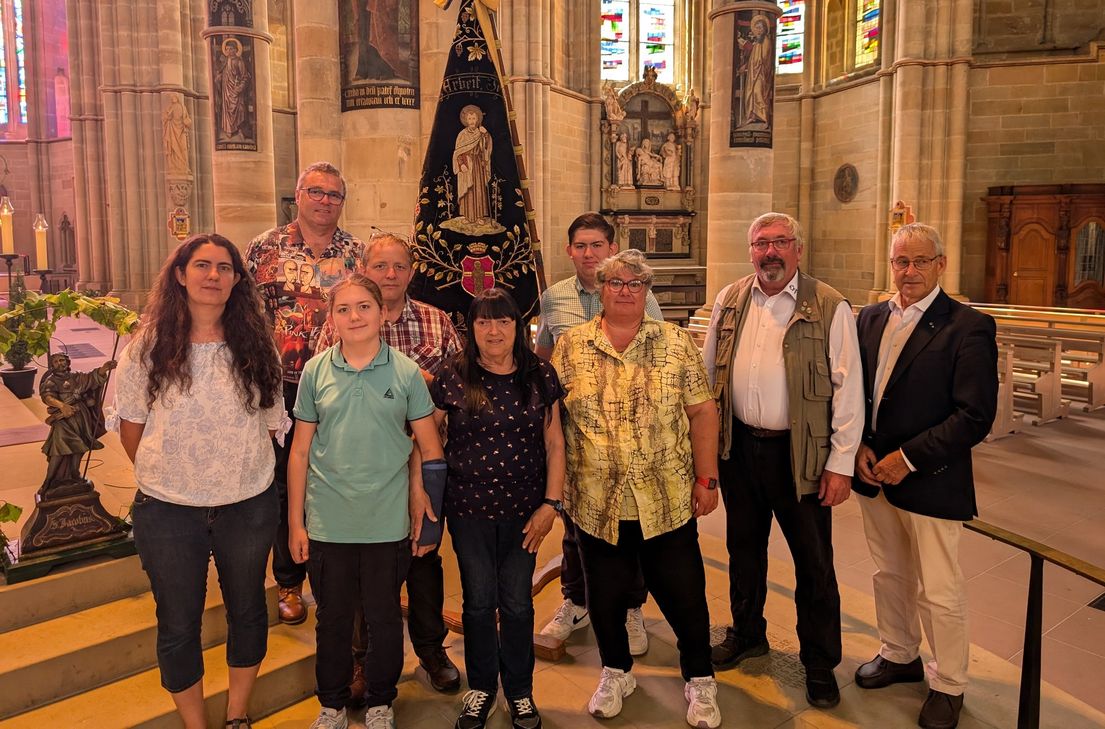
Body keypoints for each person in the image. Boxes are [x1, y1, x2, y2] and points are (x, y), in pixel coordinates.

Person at [113, 234, 285, 729]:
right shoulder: (147, 345)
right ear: (181, 274)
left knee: (249, 610)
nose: (213, 275)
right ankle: (196, 724)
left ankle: (236, 715)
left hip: (248, 503)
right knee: (178, 621)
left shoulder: (257, 345)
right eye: (202, 265)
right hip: (168, 508)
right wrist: (175, 476)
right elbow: (132, 429)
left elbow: (272, 423)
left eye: (225, 267)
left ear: (237, 279)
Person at [552, 249, 723, 729]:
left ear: (647, 292)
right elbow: (553, 421)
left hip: (665, 498)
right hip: (594, 500)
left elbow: (702, 412)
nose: (625, 290)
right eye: (615, 282)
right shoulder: (573, 345)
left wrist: (706, 479)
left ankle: (700, 678)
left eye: (635, 283)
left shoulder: (674, 342)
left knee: (684, 594)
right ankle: (616, 672)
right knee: (605, 596)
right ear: (600, 290)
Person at [701, 212, 863, 709]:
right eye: (760, 244)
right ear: (750, 250)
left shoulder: (829, 304)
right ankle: (747, 632)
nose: (770, 252)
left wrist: (842, 463)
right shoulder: (730, 299)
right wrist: (705, 452)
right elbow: (706, 375)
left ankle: (819, 661)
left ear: (797, 247)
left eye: (780, 242)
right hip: (740, 449)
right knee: (743, 549)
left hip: (802, 456)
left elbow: (848, 388)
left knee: (814, 562)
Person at [853, 223, 998, 729]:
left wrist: (907, 458)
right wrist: (862, 448)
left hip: (930, 475)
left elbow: (974, 415)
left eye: (919, 261)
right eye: (900, 261)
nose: (908, 271)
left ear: (940, 264)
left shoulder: (967, 325)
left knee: (939, 587)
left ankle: (950, 683)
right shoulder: (869, 317)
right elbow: (857, 395)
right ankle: (899, 652)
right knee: (889, 573)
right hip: (873, 473)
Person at [287, 275, 444, 729]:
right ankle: (332, 705)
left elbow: (429, 448)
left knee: (383, 619)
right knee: (333, 620)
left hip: (386, 521)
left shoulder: (406, 372)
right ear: (331, 317)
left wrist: (427, 518)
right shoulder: (316, 371)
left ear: (381, 314)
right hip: (329, 521)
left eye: (363, 307)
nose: (354, 316)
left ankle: (380, 701)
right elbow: (299, 452)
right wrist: (296, 523)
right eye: (343, 309)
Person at [315, 232, 464, 697]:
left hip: (421, 459)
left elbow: (460, 388)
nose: (391, 275)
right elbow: (324, 386)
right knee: (363, 569)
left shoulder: (438, 323)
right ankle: (362, 662)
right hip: (362, 469)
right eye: (381, 266)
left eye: (400, 266)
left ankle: (430, 650)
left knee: (423, 559)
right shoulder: (344, 319)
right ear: (365, 269)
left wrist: (423, 388)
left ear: (412, 271)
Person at [429, 288, 565, 729]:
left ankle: (521, 692)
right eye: (484, 322)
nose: (494, 330)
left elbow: (555, 443)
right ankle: (482, 688)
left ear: (517, 327)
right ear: (471, 328)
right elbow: (428, 441)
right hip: (468, 509)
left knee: (518, 603)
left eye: (503, 321)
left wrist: (551, 504)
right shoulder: (451, 375)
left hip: (525, 513)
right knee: (477, 602)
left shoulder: (540, 375)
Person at [534, 213, 664, 657]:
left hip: (630, 437)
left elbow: (658, 356)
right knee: (576, 526)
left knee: (631, 528)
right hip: (577, 436)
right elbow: (544, 364)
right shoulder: (553, 299)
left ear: (612, 248)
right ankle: (575, 600)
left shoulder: (640, 296)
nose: (588, 253)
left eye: (597, 245)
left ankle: (631, 607)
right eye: (580, 246)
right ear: (569, 251)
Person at [246, 161, 365, 627]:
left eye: (334, 195)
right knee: (283, 486)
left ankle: (331, 577)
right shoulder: (264, 248)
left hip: (340, 385)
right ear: (298, 195)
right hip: (282, 386)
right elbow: (247, 317)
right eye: (315, 192)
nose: (324, 201)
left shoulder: (356, 251)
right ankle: (290, 581)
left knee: (331, 479)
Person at [39, 353, 115, 498]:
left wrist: (104, 369)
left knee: (79, 446)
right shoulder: (51, 381)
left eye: (62, 360)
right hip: (63, 419)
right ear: (52, 365)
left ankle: (75, 474)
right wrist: (62, 406)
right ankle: (48, 481)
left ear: (67, 362)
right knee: (58, 448)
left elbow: (91, 379)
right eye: (55, 361)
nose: (59, 363)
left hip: (80, 417)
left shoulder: (76, 377)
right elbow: (47, 397)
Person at [453, 105, 493, 224]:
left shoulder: (480, 132)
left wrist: (486, 135)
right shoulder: (462, 134)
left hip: (477, 165)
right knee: (468, 189)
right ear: (466, 120)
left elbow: (486, 148)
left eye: (474, 118)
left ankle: (479, 216)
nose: (471, 121)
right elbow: (458, 152)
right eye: (469, 119)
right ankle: (468, 216)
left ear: (477, 120)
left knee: (479, 189)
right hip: (467, 164)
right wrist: (461, 164)